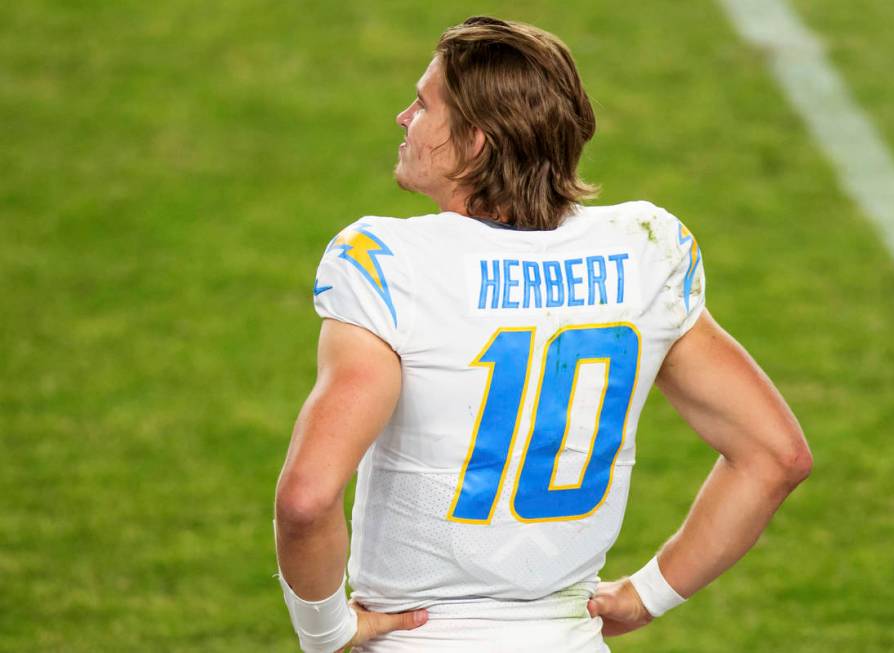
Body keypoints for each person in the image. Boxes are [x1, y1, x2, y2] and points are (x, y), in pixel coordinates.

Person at [274, 15, 812, 653]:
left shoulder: (389, 262)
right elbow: (775, 455)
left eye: (422, 104)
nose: (403, 117)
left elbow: (307, 499)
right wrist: (646, 597)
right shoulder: (645, 251)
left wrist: (324, 632)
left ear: (474, 142)